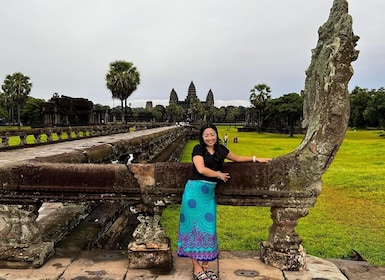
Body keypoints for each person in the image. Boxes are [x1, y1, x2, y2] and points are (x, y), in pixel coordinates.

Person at [177, 123, 271, 280]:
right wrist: (219, 175)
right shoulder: (198, 149)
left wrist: (256, 158)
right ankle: (196, 269)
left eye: (212, 134)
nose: (209, 137)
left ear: (216, 135)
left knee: (208, 229)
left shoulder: (220, 150)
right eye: (206, 135)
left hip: (209, 194)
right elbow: (200, 169)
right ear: (202, 137)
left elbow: (237, 158)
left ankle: (205, 267)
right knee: (193, 230)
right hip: (194, 192)